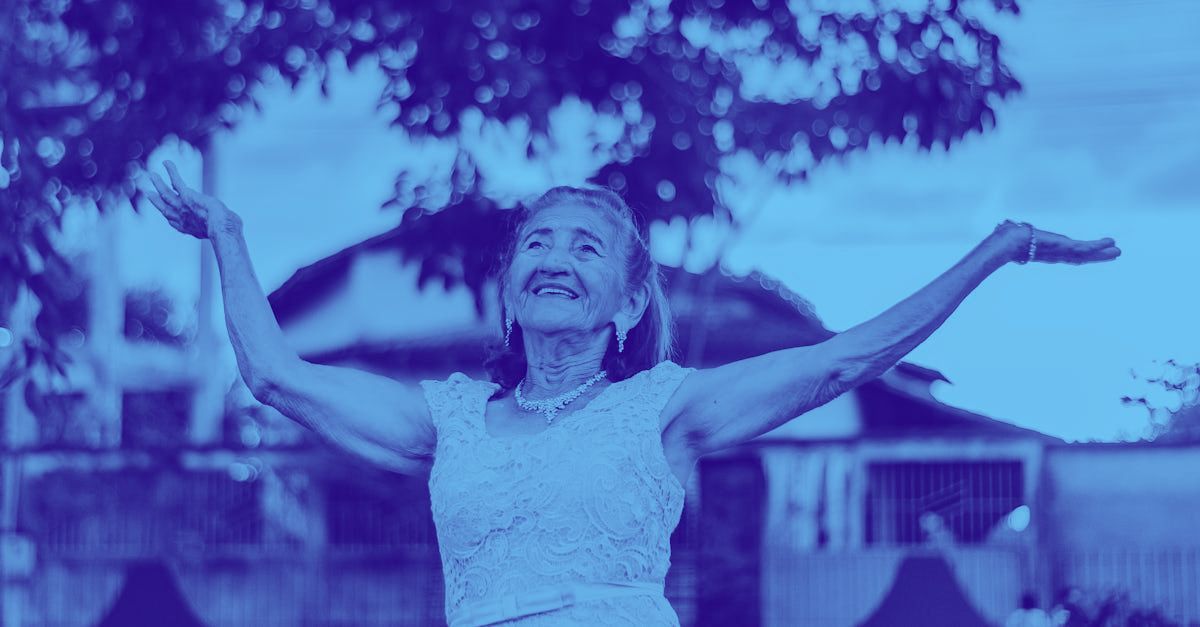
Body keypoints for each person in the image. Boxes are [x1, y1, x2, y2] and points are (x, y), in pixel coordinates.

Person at [144, 160, 1120, 626]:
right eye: (538, 241)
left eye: (585, 245)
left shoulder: (666, 406)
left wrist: (998, 250)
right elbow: (274, 375)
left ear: (625, 302)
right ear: (508, 292)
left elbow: (844, 359)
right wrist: (228, 234)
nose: (556, 257)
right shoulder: (444, 420)